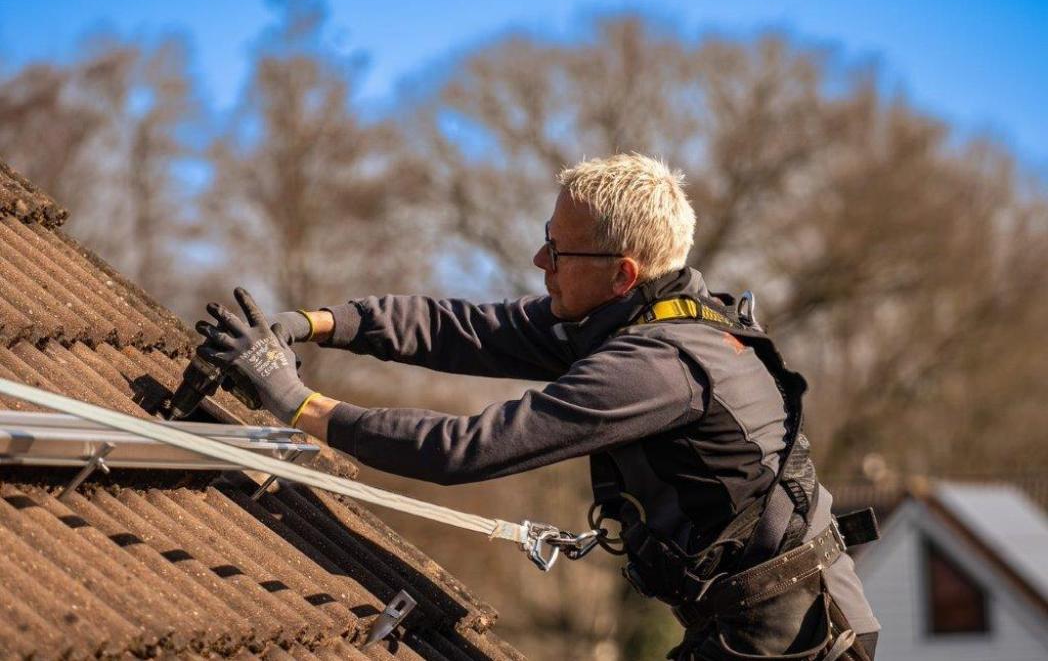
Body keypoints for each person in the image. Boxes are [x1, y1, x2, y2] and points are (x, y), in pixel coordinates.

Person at [197, 153, 880, 660]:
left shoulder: (658, 365)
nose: (538, 260)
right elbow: (459, 329)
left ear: (622, 273)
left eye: (558, 251)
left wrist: (295, 401)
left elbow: (464, 449)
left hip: (797, 640)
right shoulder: (627, 319)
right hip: (765, 623)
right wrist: (310, 324)